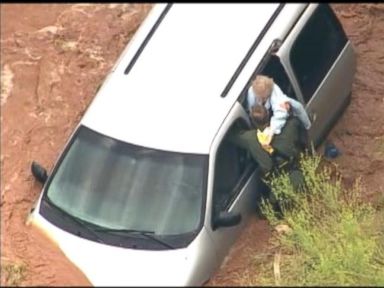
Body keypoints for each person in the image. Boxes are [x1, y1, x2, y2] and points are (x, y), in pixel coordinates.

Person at [246, 75, 312, 149]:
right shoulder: (251, 93)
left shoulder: (274, 92)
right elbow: (251, 109)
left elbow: (280, 112)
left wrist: (271, 130)